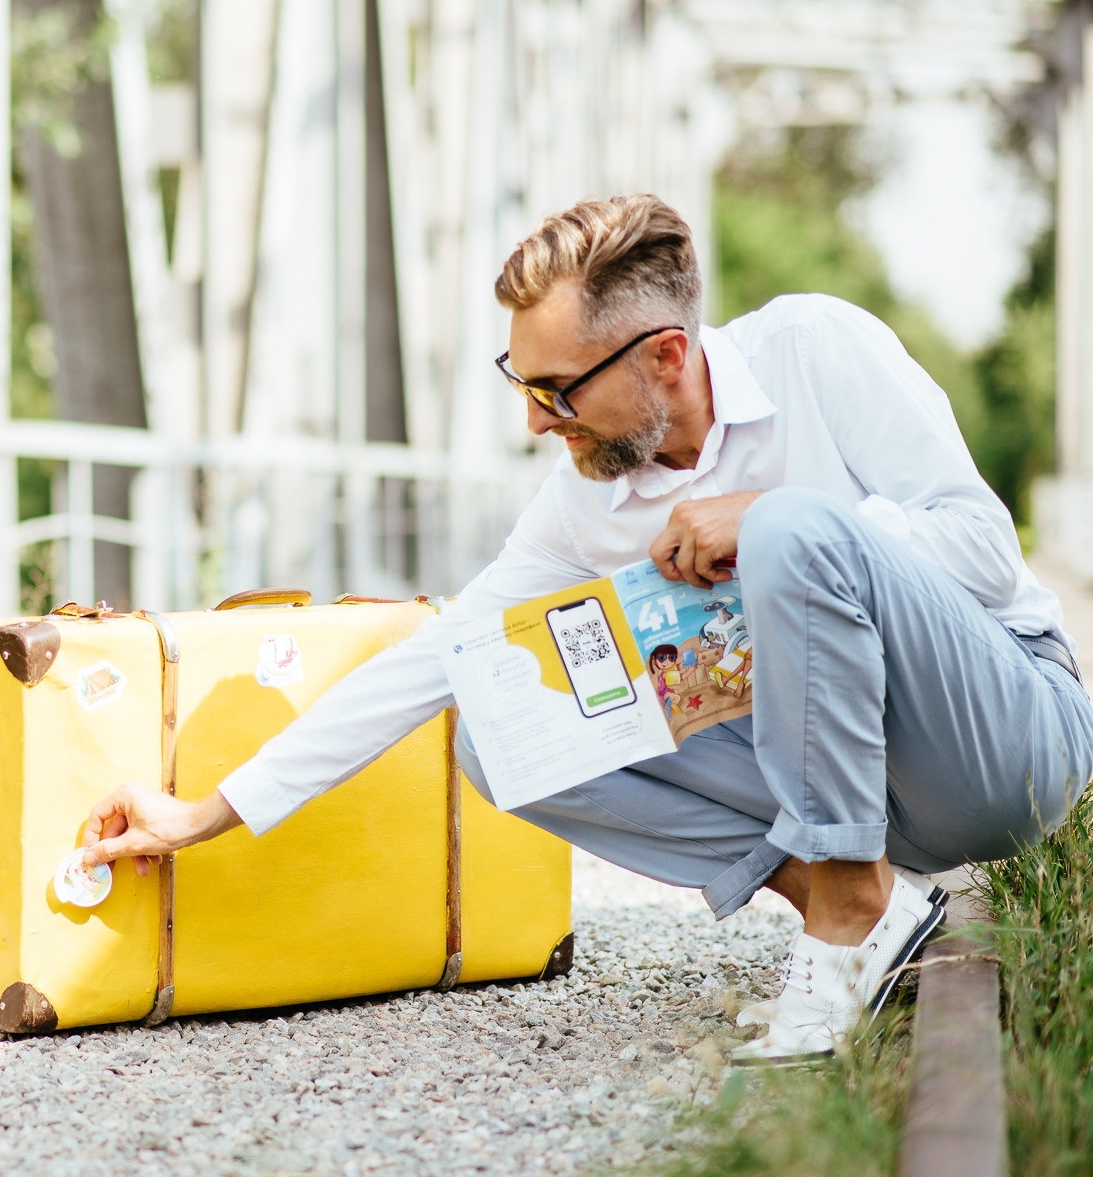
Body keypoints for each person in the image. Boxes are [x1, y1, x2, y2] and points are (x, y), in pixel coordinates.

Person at [79, 193, 1092, 1064]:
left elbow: (980, 549)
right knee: (497, 721)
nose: (534, 421)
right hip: (865, 798)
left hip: (1002, 745)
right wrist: (209, 809)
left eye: (555, 389)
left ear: (662, 354)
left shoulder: (815, 350)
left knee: (789, 525)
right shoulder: (583, 506)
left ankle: (842, 918)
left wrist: (773, 522)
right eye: (517, 383)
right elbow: (441, 654)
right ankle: (860, 902)